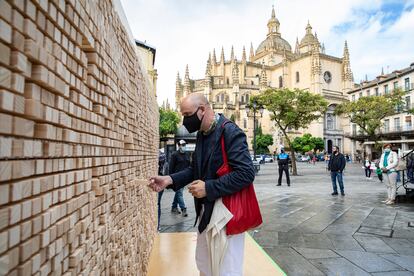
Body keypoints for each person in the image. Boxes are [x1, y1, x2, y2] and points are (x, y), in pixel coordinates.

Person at [148, 93, 255, 275]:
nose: (185, 121)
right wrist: (169, 179)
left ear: (203, 110)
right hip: (207, 213)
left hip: (226, 215)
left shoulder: (231, 132)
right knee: (205, 266)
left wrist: (208, 187)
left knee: (225, 269)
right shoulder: (202, 134)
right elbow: (194, 169)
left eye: (188, 114)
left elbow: (246, 173)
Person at [169, 140, 190, 217]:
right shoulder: (174, 155)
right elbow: (171, 167)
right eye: (183, 144)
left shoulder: (187, 154)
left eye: (185, 144)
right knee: (180, 193)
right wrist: (170, 178)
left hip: (184, 177)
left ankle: (174, 207)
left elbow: (189, 166)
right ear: (179, 145)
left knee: (178, 193)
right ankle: (183, 209)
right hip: (177, 177)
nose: (184, 146)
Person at [157, 150, 168, 231]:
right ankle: (158, 224)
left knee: (157, 203)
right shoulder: (161, 154)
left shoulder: (159, 154)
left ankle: (157, 225)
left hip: (159, 181)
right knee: (158, 203)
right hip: (162, 181)